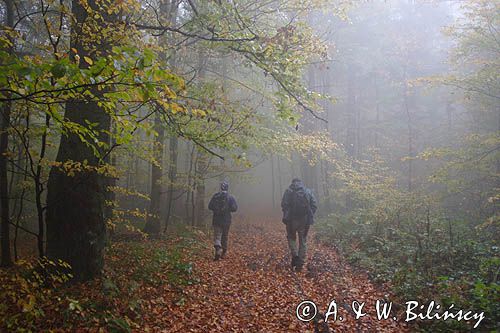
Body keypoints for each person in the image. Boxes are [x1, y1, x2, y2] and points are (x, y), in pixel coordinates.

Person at [281, 178, 317, 271]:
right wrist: (309, 214)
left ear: (292, 183)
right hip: (304, 220)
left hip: (291, 220)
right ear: (301, 183)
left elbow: (283, 204)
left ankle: (295, 255)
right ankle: (300, 263)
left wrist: (287, 214)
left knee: (291, 238)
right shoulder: (307, 191)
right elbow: (314, 205)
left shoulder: (288, 191)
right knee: (303, 241)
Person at [208, 181, 238, 260]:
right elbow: (234, 209)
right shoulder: (231, 197)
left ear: (221, 187)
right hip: (226, 220)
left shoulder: (215, 196)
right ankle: (223, 252)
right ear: (227, 188)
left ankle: (218, 249)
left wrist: (216, 210)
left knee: (217, 236)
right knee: (225, 236)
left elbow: (209, 206)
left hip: (216, 220)